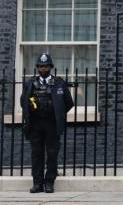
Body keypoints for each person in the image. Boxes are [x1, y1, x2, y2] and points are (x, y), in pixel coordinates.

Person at [21, 53, 74, 193]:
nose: (43, 68)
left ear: (50, 67)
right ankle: (37, 183)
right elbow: (23, 101)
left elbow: (68, 102)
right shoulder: (31, 83)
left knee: (52, 153)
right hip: (36, 123)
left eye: (46, 66)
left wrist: (58, 113)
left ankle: (49, 182)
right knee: (36, 153)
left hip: (52, 124)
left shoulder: (59, 83)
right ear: (37, 67)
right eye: (40, 66)